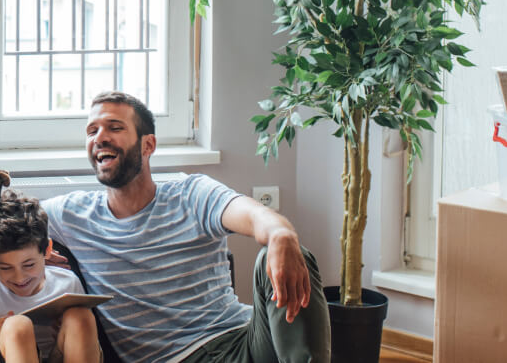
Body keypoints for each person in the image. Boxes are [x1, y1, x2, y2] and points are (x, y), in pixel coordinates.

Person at [40, 91, 331, 363]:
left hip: (244, 343)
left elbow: (256, 215)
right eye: (92, 131)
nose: (100, 138)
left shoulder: (192, 194)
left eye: (114, 128)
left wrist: (281, 234)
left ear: (147, 145)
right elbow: (1, 221)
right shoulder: (72, 215)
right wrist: (35, 249)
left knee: (289, 253)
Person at [0, 191, 101, 363]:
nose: (19, 278)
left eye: (29, 265)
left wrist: (64, 332)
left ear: (47, 250)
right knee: (16, 326)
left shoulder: (67, 283)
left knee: (80, 317)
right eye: (5, 268)